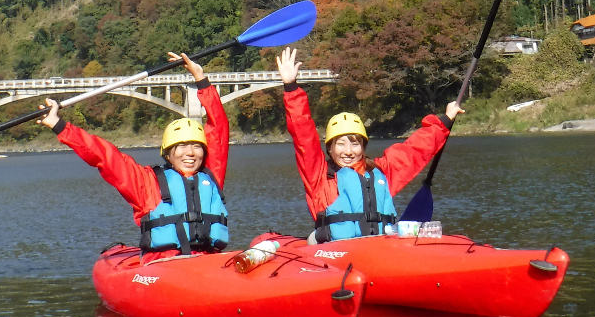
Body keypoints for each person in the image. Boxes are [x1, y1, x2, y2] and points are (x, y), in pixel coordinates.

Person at [40, 52, 229, 257]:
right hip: (164, 264)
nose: (190, 153)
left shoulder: (211, 176)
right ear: (167, 154)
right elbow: (104, 156)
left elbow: (219, 128)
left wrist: (201, 79)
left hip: (209, 261)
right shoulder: (147, 183)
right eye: (181, 147)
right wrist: (59, 126)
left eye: (196, 146)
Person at [275, 46, 463, 243]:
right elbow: (303, 134)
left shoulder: (381, 172)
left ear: (363, 147)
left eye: (355, 144)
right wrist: (291, 87)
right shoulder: (319, 176)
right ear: (329, 148)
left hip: (377, 252)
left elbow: (415, 150)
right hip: (335, 254)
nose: (348, 151)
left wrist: (446, 120)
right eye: (340, 144)